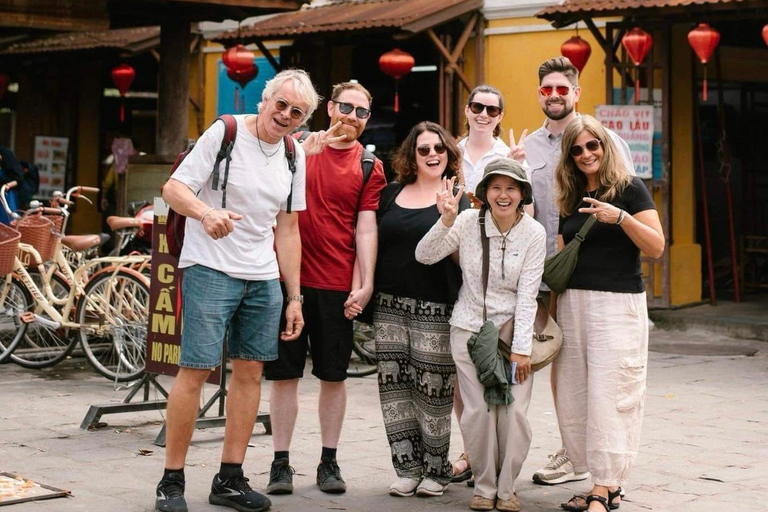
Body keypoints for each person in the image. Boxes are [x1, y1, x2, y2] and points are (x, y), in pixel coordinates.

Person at [155, 69, 320, 512]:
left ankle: (229, 478)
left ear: (302, 121)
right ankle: (171, 482)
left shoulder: (293, 155)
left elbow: (288, 230)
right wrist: (206, 214)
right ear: (264, 100)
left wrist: (295, 297)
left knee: (250, 374)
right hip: (210, 266)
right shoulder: (225, 131)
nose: (285, 115)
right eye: (280, 104)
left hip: (263, 276)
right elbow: (173, 189)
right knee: (195, 370)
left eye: (296, 112)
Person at [264, 81, 386, 496]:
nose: (352, 117)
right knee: (285, 376)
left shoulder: (370, 165)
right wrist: (303, 150)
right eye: (346, 107)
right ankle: (280, 462)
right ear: (330, 108)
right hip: (287, 281)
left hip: (337, 283)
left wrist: (365, 283)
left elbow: (365, 227)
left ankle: (329, 460)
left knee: (334, 377)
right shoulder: (292, 146)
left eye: (361, 112)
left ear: (367, 120)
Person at [526, 56, 635, 488]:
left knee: (601, 370)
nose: (554, 95)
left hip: (595, 276)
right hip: (541, 271)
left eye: (562, 89)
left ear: (576, 92)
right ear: (540, 94)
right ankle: (574, 451)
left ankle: (594, 458)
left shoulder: (606, 141)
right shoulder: (528, 146)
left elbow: (628, 198)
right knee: (559, 364)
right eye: (546, 89)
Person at [416, 158, 546, 512]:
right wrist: (444, 220)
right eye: (496, 187)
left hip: (511, 336)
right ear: (485, 192)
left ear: (522, 194)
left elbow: (528, 295)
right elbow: (424, 255)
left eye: (511, 188)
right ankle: (485, 487)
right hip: (469, 329)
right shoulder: (466, 222)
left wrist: (521, 349)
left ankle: (507, 489)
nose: (503, 195)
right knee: (477, 412)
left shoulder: (534, 232)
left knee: (514, 413)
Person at [553, 115, 664, 512]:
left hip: (616, 305)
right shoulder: (568, 195)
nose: (586, 154)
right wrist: (549, 317)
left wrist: (620, 218)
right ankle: (597, 479)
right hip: (572, 305)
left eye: (592, 145)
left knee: (610, 394)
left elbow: (656, 246)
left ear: (605, 145)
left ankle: (605, 486)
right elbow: (565, 255)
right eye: (577, 149)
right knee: (575, 394)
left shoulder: (630, 189)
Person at [372, 121, 468, 498]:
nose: (432, 155)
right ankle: (406, 467)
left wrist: (449, 218)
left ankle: (436, 469)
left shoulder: (461, 197)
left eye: (438, 149)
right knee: (394, 390)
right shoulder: (391, 193)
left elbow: (465, 259)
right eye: (424, 149)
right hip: (389, 305)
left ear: (449, 154)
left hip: (436, 306)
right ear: (412, 155)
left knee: (435, 392)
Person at [452, 83, 527, 483]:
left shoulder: (507, 155)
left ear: (500, 116)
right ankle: (471, 447)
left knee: (489, 370)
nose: (483, 114)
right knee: (459, 371)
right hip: (455, 256)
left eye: (492, 110)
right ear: (466, 110)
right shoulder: (451, 151)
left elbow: (526, 211)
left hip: (493, 270)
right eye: (477, 107)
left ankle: (478, 456)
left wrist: (517, 165)